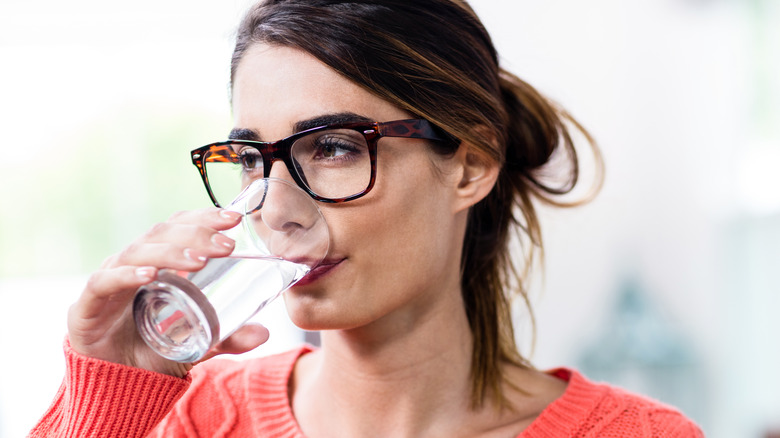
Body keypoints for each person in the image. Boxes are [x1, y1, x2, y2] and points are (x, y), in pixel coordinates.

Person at [30, 0, 704, 437]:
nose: (277, 210)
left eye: (332, 148)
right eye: (252, 160)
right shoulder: (193, 418)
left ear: (470, 166)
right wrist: (108, 396)